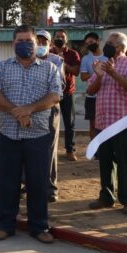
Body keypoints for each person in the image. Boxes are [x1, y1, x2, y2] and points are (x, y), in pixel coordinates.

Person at [0, 25, 61, 244]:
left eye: (28, 41)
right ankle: (4, 225)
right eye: (20, 41)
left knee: (38, 182)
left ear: (37, 44)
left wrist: (29, 109)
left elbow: (55, 96)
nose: (24, 44)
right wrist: (16, 112)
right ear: (13, 43)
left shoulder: (49, 68)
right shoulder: (1, 68)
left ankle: (39, 227)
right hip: (9, 134)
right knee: (6, 182)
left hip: (38, 135)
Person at [87, 32, 127, 215]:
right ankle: (106, 197)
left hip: (125, 123)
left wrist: (113, 73)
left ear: (120, 47)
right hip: (104, 123)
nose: (106, 46)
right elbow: (91, 90)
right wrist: (100, 75)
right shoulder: (101, 66)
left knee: (126, 162)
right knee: (105, 161)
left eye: (110, 43)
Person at [36, 30, 65, 202]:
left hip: (49, 108)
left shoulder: (56, 61)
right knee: (28, 146)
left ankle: (50, 187)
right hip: (29, 110)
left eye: (43, 42)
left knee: (49, 148)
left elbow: (59, 85)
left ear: (50, 45)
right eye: (37, 41)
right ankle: (28, 182)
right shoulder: (26, 60)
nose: (40, 45)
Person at [50, 29, 81, 161]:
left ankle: (70, 150)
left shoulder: (73, 54)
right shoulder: (48, 53)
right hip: (50, 93)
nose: (60, 39)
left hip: (67, 92)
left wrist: (63, 62)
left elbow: (76, 71)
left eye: (62, 37)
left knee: (69, 123)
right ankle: (49, 149)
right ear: (53, 39)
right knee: (49, 122)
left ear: (66, 40)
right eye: (57, 36)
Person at [80, 32, 108, 141]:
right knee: (93, 125)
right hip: (92, 97)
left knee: (107, 124)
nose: (89, 45)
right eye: (87, 43)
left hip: (106, 96)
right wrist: (97, 72)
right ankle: (95, 151)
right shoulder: (86, 59)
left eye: (91, 42)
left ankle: (106, 150)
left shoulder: (108, 57)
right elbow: (83, 77)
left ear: (98, 41)